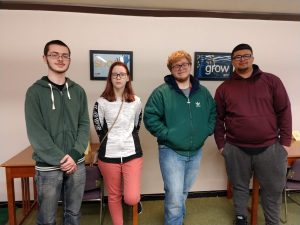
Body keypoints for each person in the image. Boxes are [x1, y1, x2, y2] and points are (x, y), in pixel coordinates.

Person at [214, 43, 292, 225]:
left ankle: (272, 221)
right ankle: (241, 217)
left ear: (252, 58)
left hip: (270, 148)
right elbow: (218, 118)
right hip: (235, 148)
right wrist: (221, 145)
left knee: (272, 189)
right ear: (232, 62)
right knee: (240, 187)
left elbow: (284, 111)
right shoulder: (224, 88)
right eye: (237, 57)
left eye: (246, 55)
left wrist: (285, 143)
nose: (242, 59)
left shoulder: (272, 81)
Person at [143, 50, 216, 225]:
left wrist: (206, 131)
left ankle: (177, 217)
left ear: (190, 66)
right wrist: (168, 135)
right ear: (170, 69)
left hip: (195, 150)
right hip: (171, 151)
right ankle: (174, 221)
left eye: (184, 64)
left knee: (183, 191)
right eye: (176, 65)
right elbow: (150, 117)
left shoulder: (203, 92)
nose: (181, 68)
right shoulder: (161, 93)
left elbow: (213, 113)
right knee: (175, 195)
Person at [25, 40, 90, 225]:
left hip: (76, 164)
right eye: (54, 54)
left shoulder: (78, 91)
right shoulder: (34, 92)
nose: (60, 59)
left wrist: (74, 154)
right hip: (48, 168)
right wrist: (63, 160)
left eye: (65, 55)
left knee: (74, 215)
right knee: (47, 219)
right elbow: (36, 133)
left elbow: (84, 125)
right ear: (45, 58)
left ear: (69, 59)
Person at [93, 61, 143, 225]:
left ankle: (135, 199)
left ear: (128, 77)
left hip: (131, 154)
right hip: (109, 156)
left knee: (131, 197)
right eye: (115, 74)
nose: (118, 77)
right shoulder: (101, 102)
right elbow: (100, 129)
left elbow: (136, 126)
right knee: (114, 196)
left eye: (122, 74)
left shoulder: (136, 101)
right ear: (110, 78)